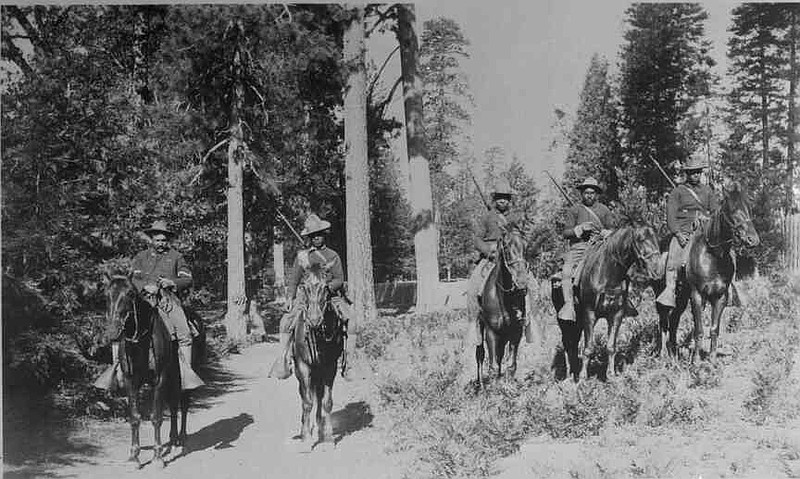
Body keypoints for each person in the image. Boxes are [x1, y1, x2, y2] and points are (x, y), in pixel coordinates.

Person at [94, 219, 204, 391]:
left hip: (167, 300)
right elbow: (133, 278)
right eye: (157, 239)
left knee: (184, 332)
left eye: (164, 240)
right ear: (151, 239)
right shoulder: (141, 257)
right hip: (143, 299)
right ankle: (116, 372)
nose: (161, 243)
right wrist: (144, 286)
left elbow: (187, 279)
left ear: (168, 240)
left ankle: (186, 374)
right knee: (119, 327)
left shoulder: (176, 257)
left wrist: (171, 282)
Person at [268, 214, 355, 380]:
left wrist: (325, 288)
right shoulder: (302, 256)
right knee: (285, 322)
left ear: (324, 235)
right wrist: (289, 298)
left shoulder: (332, 255)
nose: (317, 238)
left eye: (319, 234)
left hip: (329, 295)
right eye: (313, 236)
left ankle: (350, 361)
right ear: (309, 238)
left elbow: (339, 279)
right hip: (305, 297)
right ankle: (283, 360)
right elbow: (293, 280)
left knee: (351, 320)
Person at [466, 180, 533, 344]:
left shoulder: (516, 217)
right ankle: (473, 324)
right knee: (473, 288)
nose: (503, 201)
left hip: (511, 255)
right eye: (500, 197)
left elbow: (523, 237)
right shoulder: (487, 217)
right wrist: (488, 250)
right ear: (495, 199)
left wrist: (517, 246)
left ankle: (529, 322)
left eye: (506, 198)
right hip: (490, 256)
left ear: (510, 200)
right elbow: (477, 239)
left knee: (532, 286)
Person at [656, 156, 719, 308]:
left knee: (726, 253)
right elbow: (670, 216)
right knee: (674, 256)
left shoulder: (707, 191)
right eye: (692, 172)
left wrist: (707, 218)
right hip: (684, 232)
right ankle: (670, 289)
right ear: (687, 174)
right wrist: (678, 234)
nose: (696, 175)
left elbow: (716, 212)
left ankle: (729, 287)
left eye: (698, 172)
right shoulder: (678, 192)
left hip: (705, 232)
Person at [558, 177, 616, 321]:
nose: (589, 195)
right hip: (579, 246)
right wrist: (579, 228)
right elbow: (566, 232)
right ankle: (568, 305)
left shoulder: (604, 210)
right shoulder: (574, 210)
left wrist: (606, 233)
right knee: (566, 271)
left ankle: (623, 302)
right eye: (586, 192)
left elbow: (613, 230)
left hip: (599, 246)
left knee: (618, 268)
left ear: (596, 194)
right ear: (582, 194)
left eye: (592, 192)